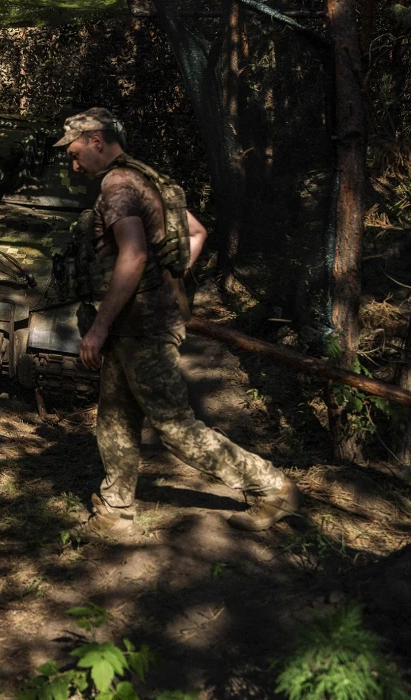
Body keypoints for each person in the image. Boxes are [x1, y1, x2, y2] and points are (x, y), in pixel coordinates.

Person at [56, 107, 299, 537]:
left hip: (141, 328)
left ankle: (272, 486)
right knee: (114, 418)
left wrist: (99, 326)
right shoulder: (147, 179)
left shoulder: (116, 185)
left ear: (97, 141)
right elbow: (197, 231)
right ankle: (115, 510)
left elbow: (133, 254)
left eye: (75, 153)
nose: (74, 164)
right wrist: (167, 287)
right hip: (135, 326)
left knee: (175, 428)